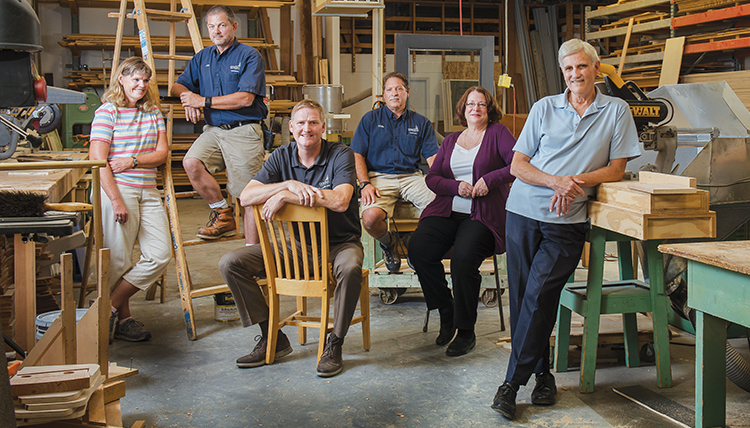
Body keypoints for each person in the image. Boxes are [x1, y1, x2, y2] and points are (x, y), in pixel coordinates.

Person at [491, 39, 641, 420]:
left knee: (540, 295)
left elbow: (616, 168)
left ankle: (510, 385)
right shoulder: (544, 108)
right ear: (563, 73)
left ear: (596, 68)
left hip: (567, 221)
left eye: (582, 67)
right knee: (526, 296)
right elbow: (518, 166)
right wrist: (553, 181)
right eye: (568, 69)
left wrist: (573, 180)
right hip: (523, 210)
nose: (575, 75)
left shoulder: (616, 111)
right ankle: (543, 377)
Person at [219, 99, 363, 378]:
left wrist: (287, 196)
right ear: (292, 128)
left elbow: (342, 200)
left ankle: (335, 343)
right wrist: (286, 184)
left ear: (323, 127)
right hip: (297, 248)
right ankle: (272, 335)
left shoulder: (340, 154)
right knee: (231, 263)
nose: (306, 128)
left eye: (312, 122)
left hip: (340, 244)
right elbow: (247, 196)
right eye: (300, 123)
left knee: (350, 267)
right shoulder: (281, 156)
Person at [408, 87, 515, 357]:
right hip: (447, 209)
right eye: (470, 104)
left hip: (483, 215)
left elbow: (517, 164)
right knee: (419, 249)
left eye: (481, 104)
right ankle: (447, 308)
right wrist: (456, 187)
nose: (475, 108)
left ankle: (466, 330)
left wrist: (488, 181)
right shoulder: (451, 140)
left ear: (489, 109)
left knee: (464, 259)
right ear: (463, 109)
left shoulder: (498, 133)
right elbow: (432, 178)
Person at [89, 57, 172, 342]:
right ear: (121, 80)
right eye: (135, 79)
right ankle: (124, 320)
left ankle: (107, 308)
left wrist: (132, 160)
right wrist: (116, 201)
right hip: (116, 191)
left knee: (160, 254)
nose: (141, 85)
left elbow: (162, 154)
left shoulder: (153, 113)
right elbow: (98, 161)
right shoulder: (106, 113)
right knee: (119, 260)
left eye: (145, 80)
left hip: (147, 190)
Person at [171, 4, 267, 244]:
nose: (216, 31)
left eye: (222, 25)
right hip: (213, 130)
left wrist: (201, 100)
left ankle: (251, 253)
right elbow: (177, 86)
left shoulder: (249, 55)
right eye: (211, 26)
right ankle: (223, 214)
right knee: (191, 163)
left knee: (249, 197)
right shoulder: (202, 57)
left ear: (233, 26)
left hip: (244, 130)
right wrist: (188, 101)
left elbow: (245, 98)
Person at [351, 71, 439, 272]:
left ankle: (414, 245)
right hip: (378, 178)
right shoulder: (370, 120)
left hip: (411, 177)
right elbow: (357, 154)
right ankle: (389, 242)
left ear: (407, 93)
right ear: (383, 95)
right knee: (370, 218)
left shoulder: (421, 123)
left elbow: (433, 158)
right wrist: (364, 184)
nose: (394, 93)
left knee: (439, 207)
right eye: (389, 89)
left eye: (399, 89)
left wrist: (443, 185)